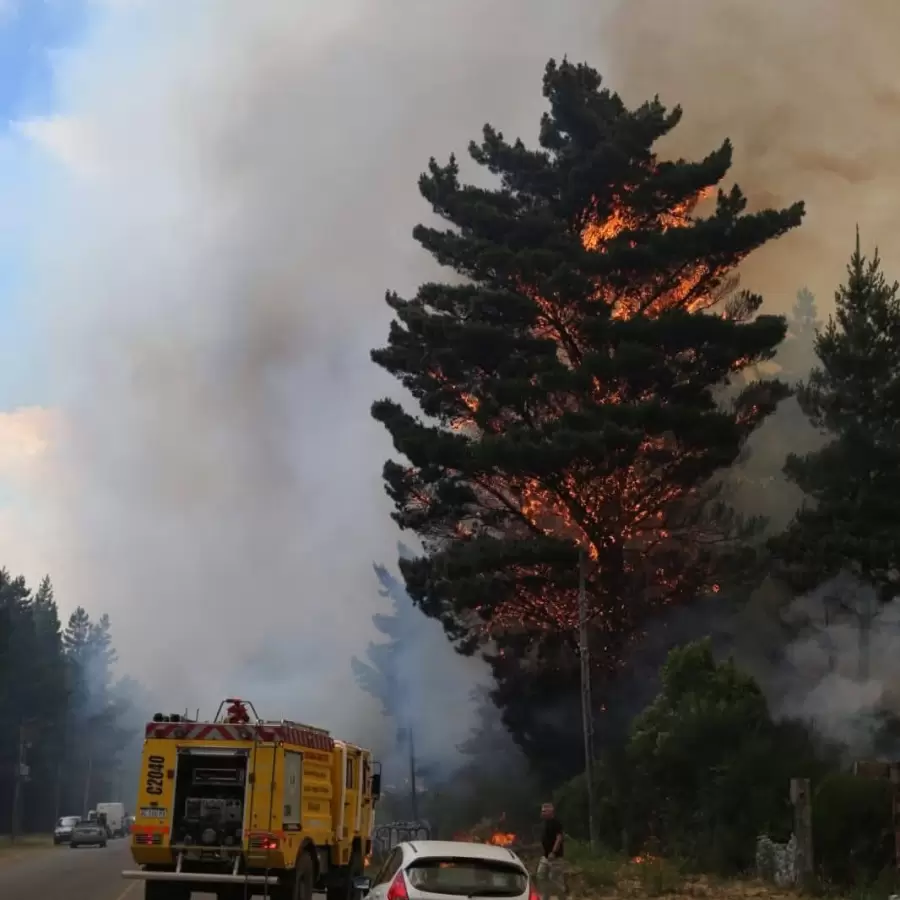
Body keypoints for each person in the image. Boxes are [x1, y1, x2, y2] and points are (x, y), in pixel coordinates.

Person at [536, 802, 566, 900]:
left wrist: (553, 852)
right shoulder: (545, 823)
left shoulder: (556, 822)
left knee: (555, 879)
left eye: (545, 811)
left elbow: (559, 838)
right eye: (542, 811)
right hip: (545, 856)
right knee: (541, 875)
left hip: (555, 857)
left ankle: (562, 897)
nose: (543, 813)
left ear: (551, 811)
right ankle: (546, 897)